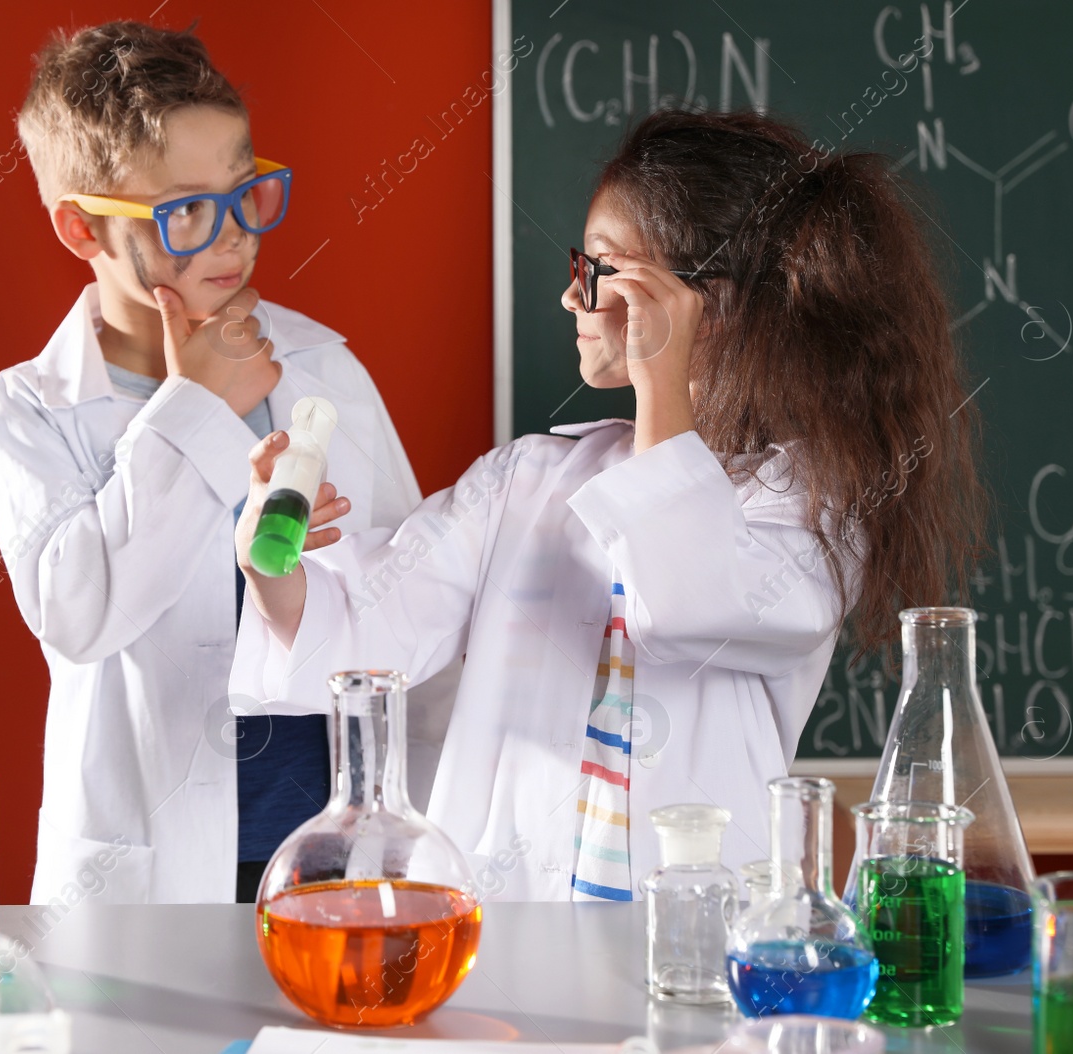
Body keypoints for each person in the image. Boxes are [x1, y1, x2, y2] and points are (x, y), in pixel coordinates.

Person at [231, 108, 988, 901]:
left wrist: (666, 368)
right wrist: (270, 571)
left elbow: (683, 604)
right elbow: (361, 640)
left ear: (708, 308)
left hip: (698, 942)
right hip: (502, 932)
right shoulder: (527, 480)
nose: (570, 298)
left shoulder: (809, 508)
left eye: (597, 271)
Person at [0, 21, 431, 904]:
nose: (234, 239)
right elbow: (82, 615)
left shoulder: (322, 368)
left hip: (331, 859)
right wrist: (196, 408)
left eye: (245, 191)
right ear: (80, 229)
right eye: (186, 211)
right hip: (149, 875)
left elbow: (413, 610)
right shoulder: (27, 413)